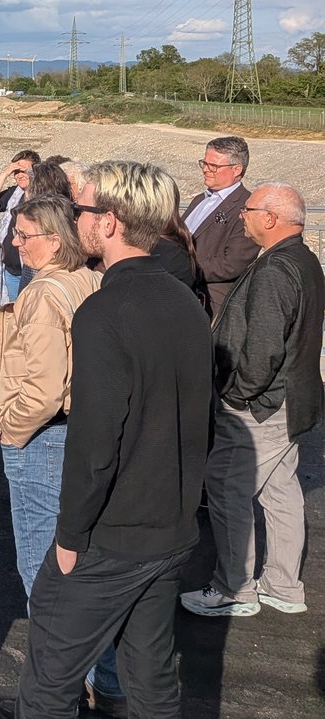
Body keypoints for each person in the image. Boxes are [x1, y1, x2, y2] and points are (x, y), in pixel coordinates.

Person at [0, 161, 212, 719]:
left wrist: (70, 535)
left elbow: (97, 441)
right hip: (173, 525)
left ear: (110, 222)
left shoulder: (104, 310)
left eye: (83, 209)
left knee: (48, 680)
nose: (77, 219)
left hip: (112, 535)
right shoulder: (185, 301)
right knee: (151, 675)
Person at [0, 194, 124, 716]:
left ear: (53, 238)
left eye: (24, 235)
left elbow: (44, 387)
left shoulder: (44, 293)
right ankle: (104, 682)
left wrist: (10, 428)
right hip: (77, 432)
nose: (16, 244)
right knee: (80, 566)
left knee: (43, 575)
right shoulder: (87, 280)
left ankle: (55, 694)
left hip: (43, 437)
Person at [180, 182, 324, 618]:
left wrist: (238, 397)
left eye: (249, 210)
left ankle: (234, 588)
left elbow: (264, 350)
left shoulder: (278, 269)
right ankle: (283, 584)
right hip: (291, 398)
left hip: (263, 404)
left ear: (271, 218)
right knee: (280, 490)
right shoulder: (304, 259)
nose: (242, 216)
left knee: (225, 484)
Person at [182, 136, 255, 316]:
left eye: (213, 166)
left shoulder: (247, 206)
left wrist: (186, 269)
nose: (206, 170)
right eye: (204, 163)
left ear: (237, 169)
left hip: (210, 302)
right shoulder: (200, 199)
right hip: (182, 291)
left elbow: (233, 263)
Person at [0, 150, 40, 302]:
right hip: (10, 270)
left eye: (23, 171)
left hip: (31, 269)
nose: (19, 175)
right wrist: (5, 173)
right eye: (16, 172)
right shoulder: (14, 194)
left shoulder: (42, 196)